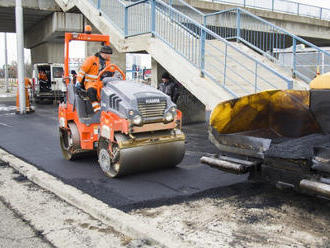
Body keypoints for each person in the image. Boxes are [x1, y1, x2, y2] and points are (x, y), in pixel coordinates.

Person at [75, 46, 112, 112]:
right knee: (91, 91)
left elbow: (111, 72)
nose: (108, 56)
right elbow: (82, 71)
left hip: (101, 83)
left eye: (109, 55)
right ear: (102, 53)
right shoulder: (91, 59)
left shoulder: (108, 62)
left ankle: (108, 110)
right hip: (90, 83)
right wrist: (78, 81)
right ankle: (97, 109)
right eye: (107, 55)